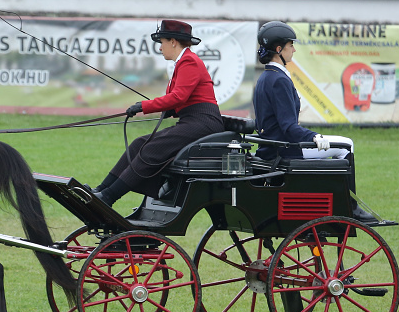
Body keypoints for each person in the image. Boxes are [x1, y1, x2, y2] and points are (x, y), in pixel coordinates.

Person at [252, 20, 376, 223]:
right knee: (346, 146)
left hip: (272, 146)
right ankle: (350, 208)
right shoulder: (280, 80)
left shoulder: (266, 78)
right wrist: (314, 136)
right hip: (285, 148)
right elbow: (288, 127)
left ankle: (335, 198)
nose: (294, 49)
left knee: (342, 144)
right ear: (278, 49)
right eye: (290, 45)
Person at [93, 20, 224, 206]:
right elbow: (183, 99)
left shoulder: (189, 61)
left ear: (173, 41)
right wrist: (170, 109)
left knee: (152, 150)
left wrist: (143, 106)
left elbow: (179, 96)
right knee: (139, 143)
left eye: (162, 42)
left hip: (203, 123)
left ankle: (109, 197)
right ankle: (101, 189)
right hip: (193, 120)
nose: (160, 48)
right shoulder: (182, 63)